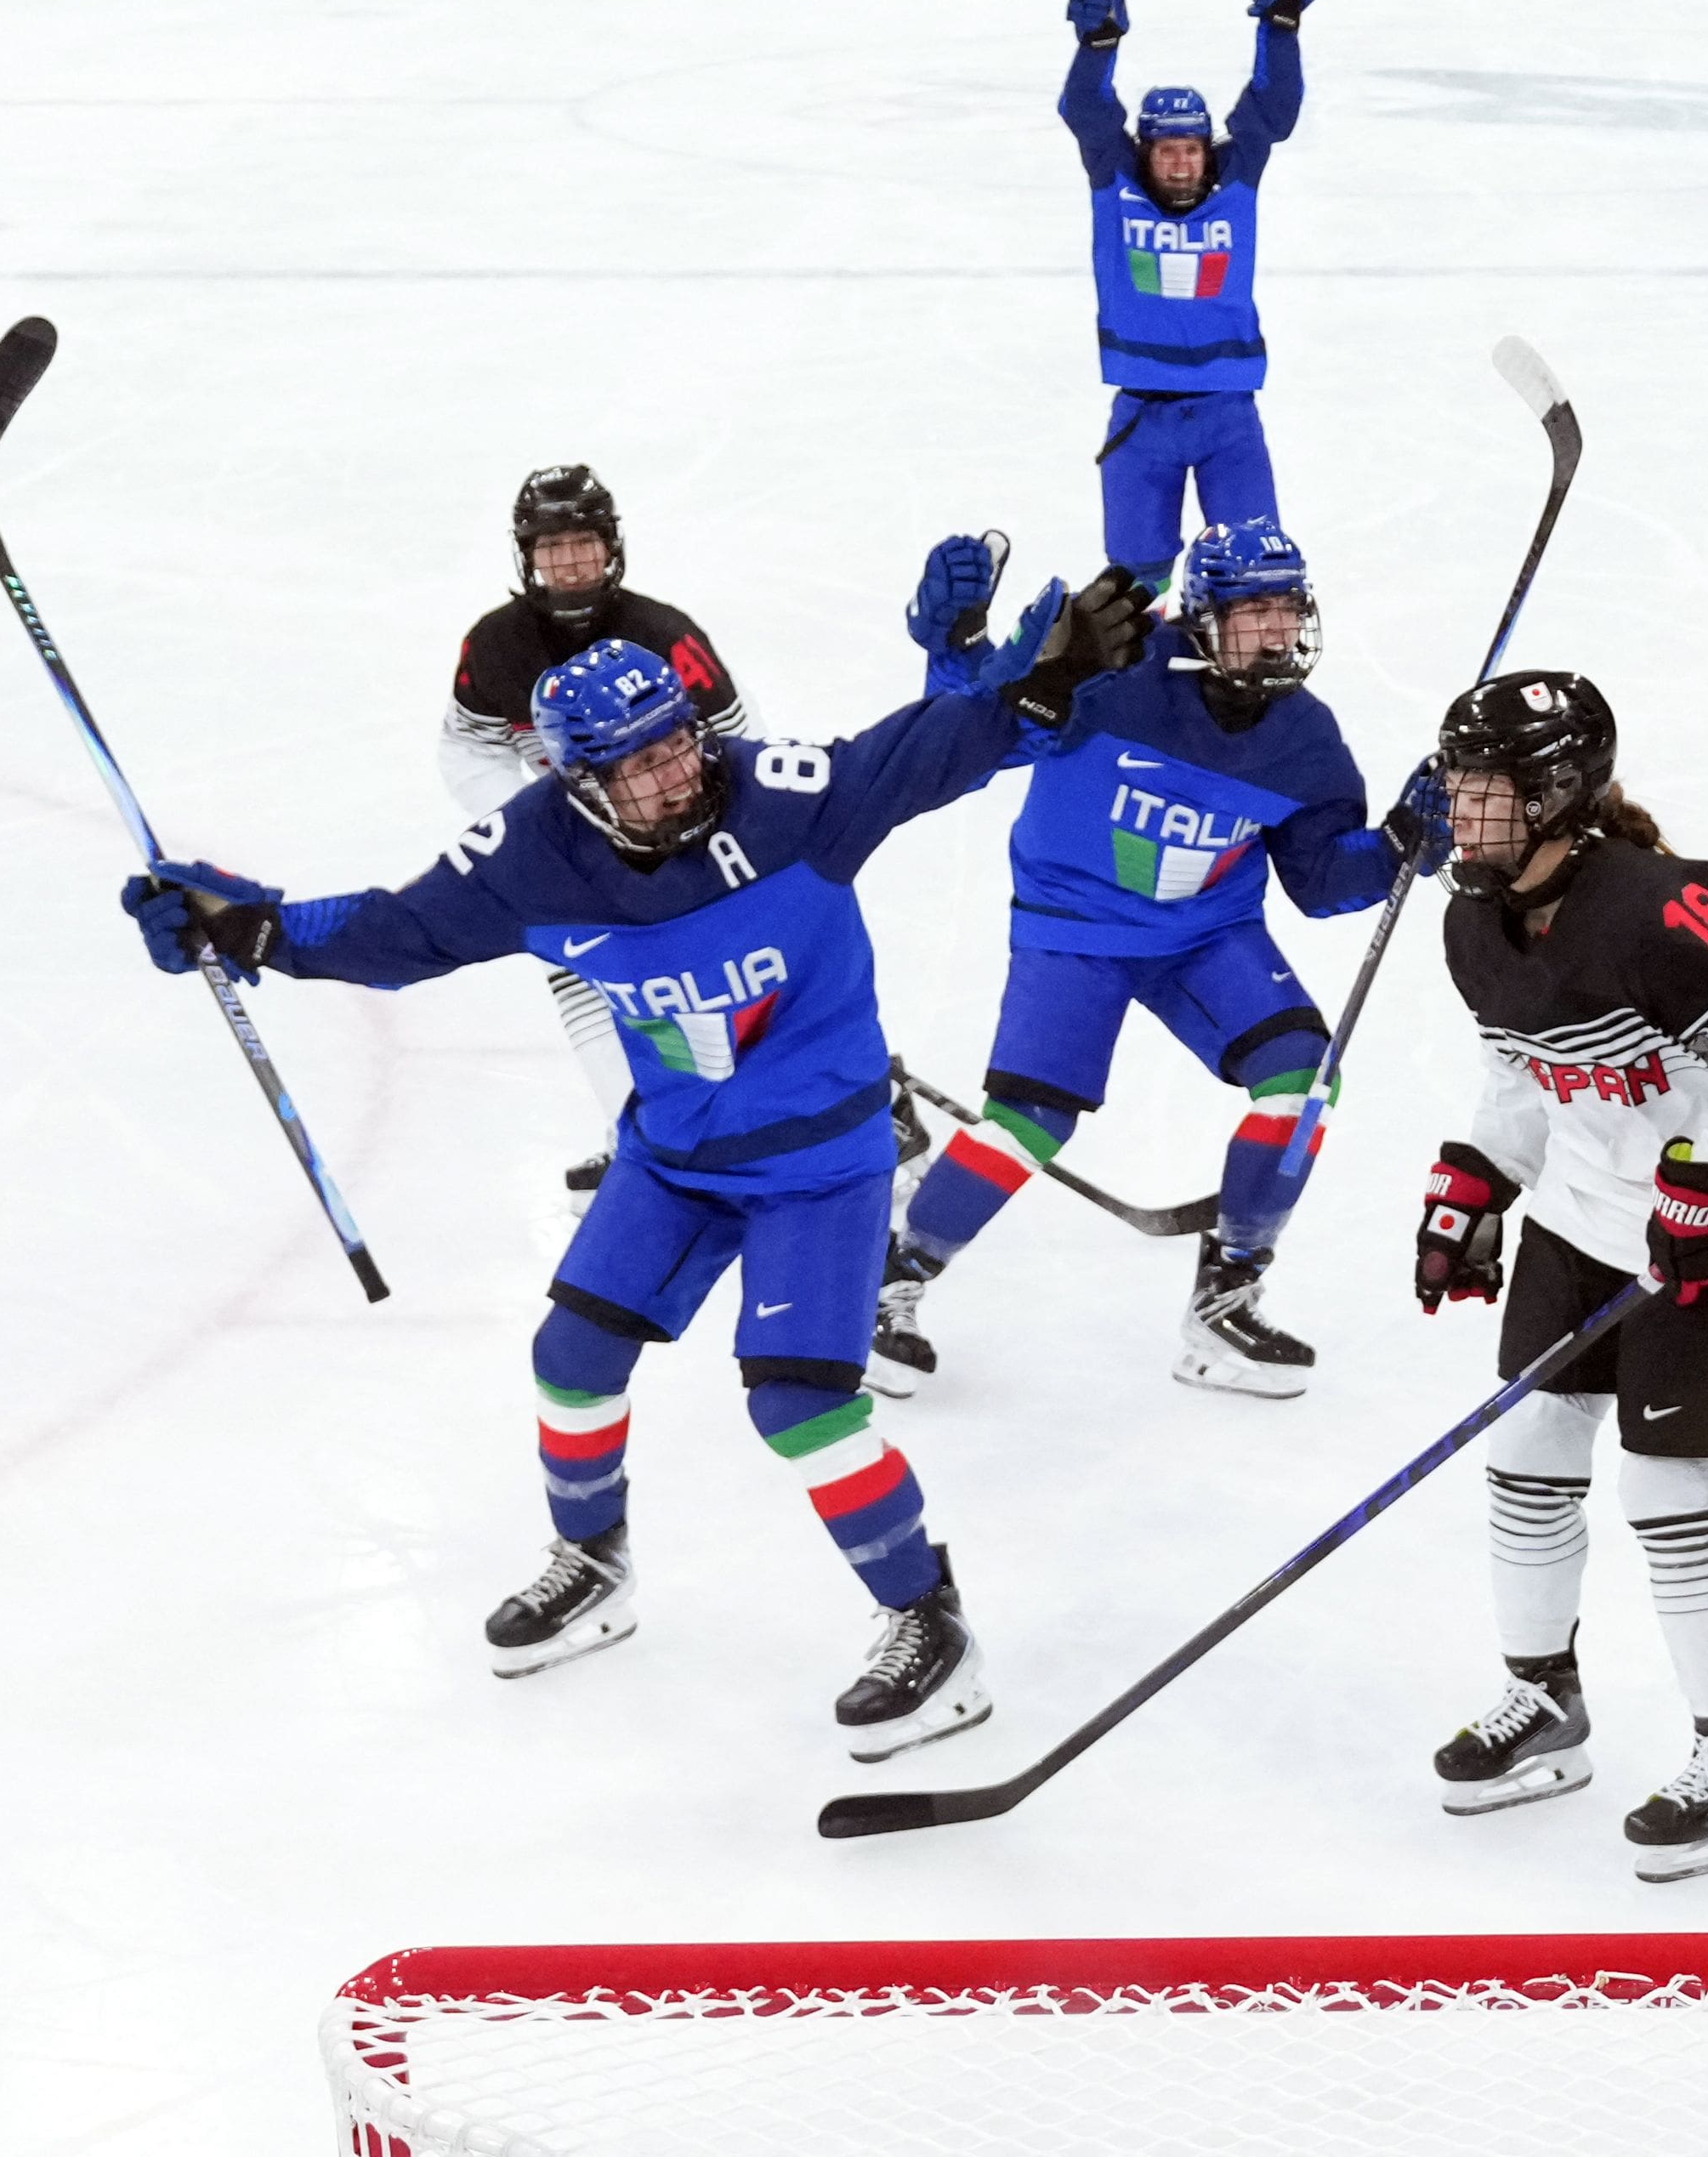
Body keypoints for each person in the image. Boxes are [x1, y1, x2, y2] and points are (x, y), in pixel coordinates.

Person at [120, 563, 1151, 1756]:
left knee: (801, 1404)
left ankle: (930, 1623)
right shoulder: (528, 856)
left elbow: (936, 748)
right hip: (672, 1158)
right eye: (638, 766)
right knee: (570, 1356)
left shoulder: (791, 801)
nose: (675, 776)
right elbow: (397, 935)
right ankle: (593, 1565)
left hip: (821, 1164)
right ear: (574, 782)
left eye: (678, 745)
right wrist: (251, 927)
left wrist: (1038, 689)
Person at [1414, 671, 1708, 1884]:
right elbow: (1523, 1072)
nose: (1462, 816)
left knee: (1670, 1491)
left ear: (1559, 795)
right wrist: (1481, 1178)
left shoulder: (1668, 906)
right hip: (1587, 1216)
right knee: (1527, 1449)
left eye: (1488, 794)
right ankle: (1544, 1699)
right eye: (1457, 788)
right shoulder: (1473, 922)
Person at [870, 518, 1434, 1400]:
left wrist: (1402, 841)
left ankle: (1226, 1298)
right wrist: (959, 647)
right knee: (1029, 1125)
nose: (1277, 632)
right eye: (1252, 612)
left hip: (1206, 935)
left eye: (1287, 609)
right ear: (1202, 616)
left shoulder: (1306, 738)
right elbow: (967, 738)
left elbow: (1322, 881)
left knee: (1303, 1083)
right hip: (1074, 927)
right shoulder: (1111, 667)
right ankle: (891, 1276)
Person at [445, 466, 763, 1202]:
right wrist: (537, 834)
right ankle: (642, 1138)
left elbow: (741, 745)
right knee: (577, 972)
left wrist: (703, 839)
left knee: (723, 983)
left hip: (685, 836)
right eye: (550, 547)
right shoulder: (495, 646)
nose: (568, 563)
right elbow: (467, 747)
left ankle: (839, 1106)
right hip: (584, 854)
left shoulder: (664, 634)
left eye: (581, 543)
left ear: (610, 545)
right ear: (527, 555)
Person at [1063, 0, 1320, 593]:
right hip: (1141, 418)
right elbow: (1086, 109)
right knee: (1132, 588)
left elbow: (1273, 107)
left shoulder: (1236, 179)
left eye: (1192, 150)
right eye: (1166, 151)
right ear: (1143, 152)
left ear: (1209, 152)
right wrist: (1098, 45)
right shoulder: (1115, 180)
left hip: (1228, 416)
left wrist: (1280, 26)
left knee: (1257, 573)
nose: (1181, 165)